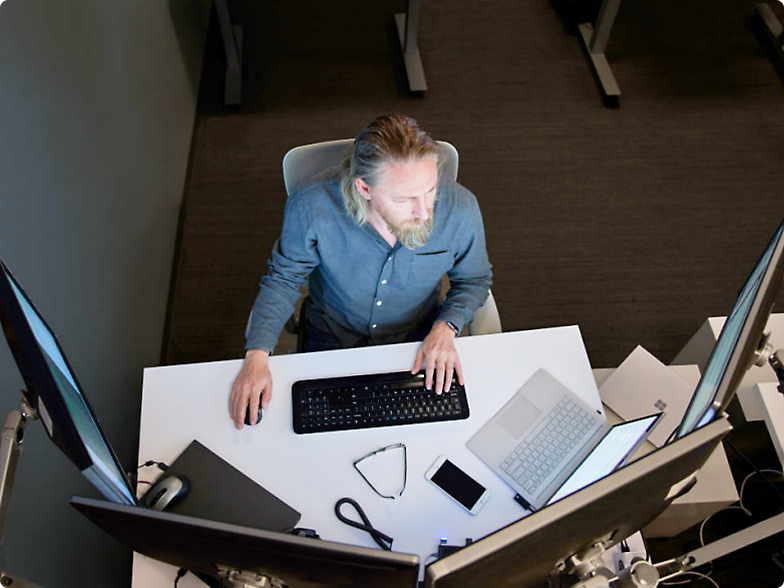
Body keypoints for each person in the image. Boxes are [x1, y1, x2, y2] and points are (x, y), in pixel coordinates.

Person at [229, 114, 492, 429]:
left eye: (430, 190)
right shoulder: (311, 205)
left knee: (429, 429)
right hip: (332, 331)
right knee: (315, 431)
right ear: (365, 188)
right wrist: (257, 355)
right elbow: (284, 279)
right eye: (404, 199)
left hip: (418, 336)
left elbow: (474, 280)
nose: (424, 212)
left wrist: (446, 327)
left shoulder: (461, 208)